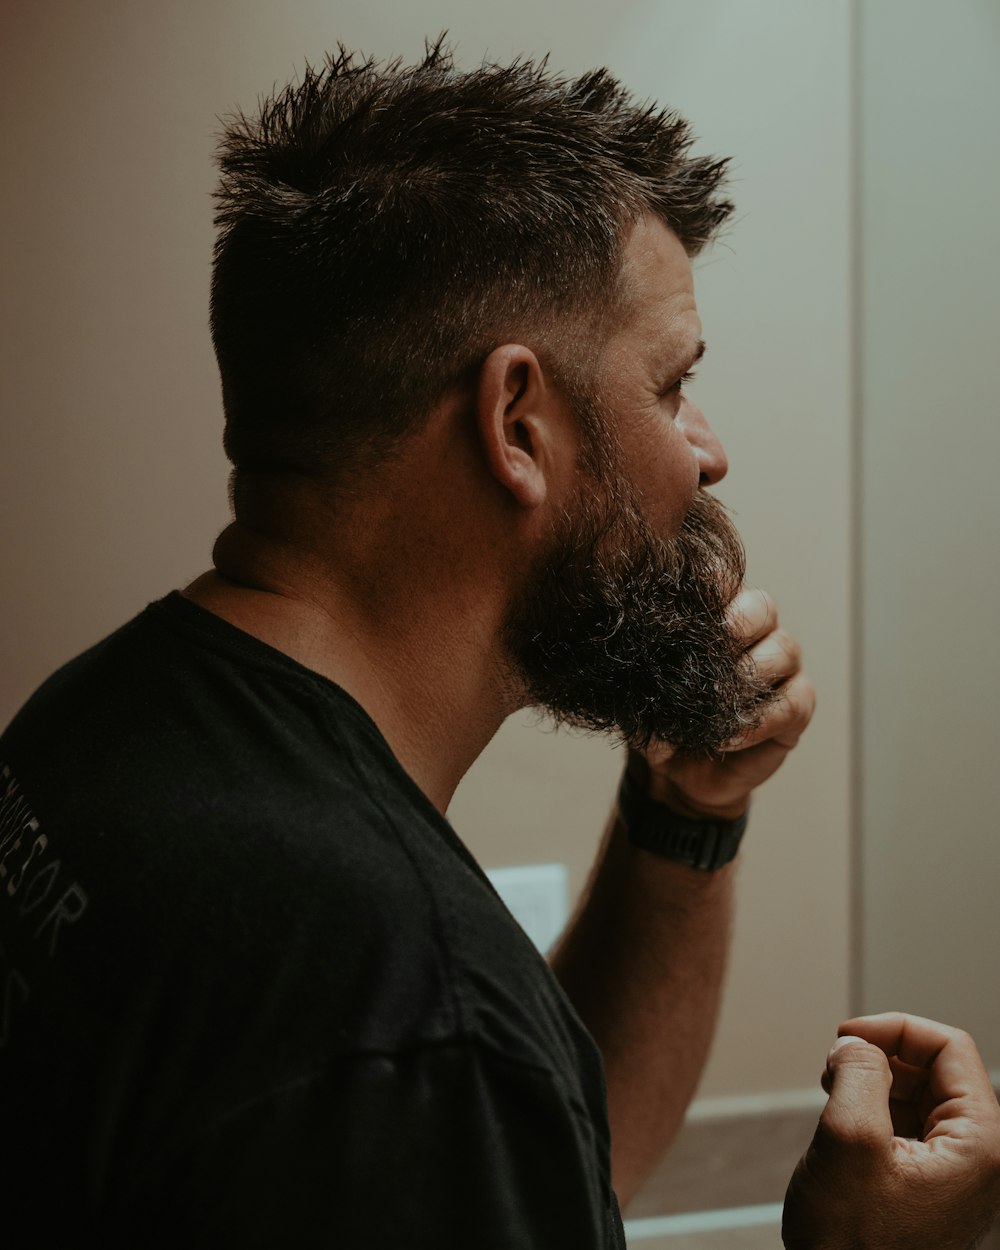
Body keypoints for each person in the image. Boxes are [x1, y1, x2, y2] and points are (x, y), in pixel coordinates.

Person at [0, 41, 997, 1249]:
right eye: (674, 382)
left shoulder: (100, 719)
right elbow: (453, 1074)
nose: (707, 450)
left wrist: (683, 815)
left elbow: (543, 1156)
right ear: (515, 420)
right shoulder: (392, 993)